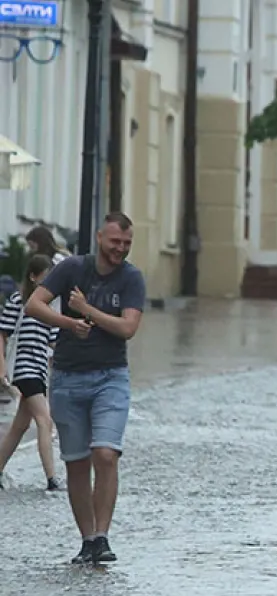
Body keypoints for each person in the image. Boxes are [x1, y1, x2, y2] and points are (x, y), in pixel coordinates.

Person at [24, 213, 146, 565]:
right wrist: (68, 322)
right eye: (114, 242)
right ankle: (88, 539)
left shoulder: (131, 278)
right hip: (67, 377)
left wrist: (86, 309)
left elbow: (128, 328)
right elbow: (34, 304)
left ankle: (103, 537)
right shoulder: (73, 269)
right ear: (99, 238)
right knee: (77, 464)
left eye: (126, 243)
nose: (120, 249)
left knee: (106, 454)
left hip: (111, 377)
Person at [0, 255, 62, 492]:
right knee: (45, 421)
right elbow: (2, 334)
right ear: (33, 277)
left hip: (39, 370)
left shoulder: (50, 307)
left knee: (19, 426)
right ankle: (52, 480)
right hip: (24, 370)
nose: (49, 285)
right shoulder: (18, 301)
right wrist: (2, 367)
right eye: (45, 279)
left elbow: (56, 345)